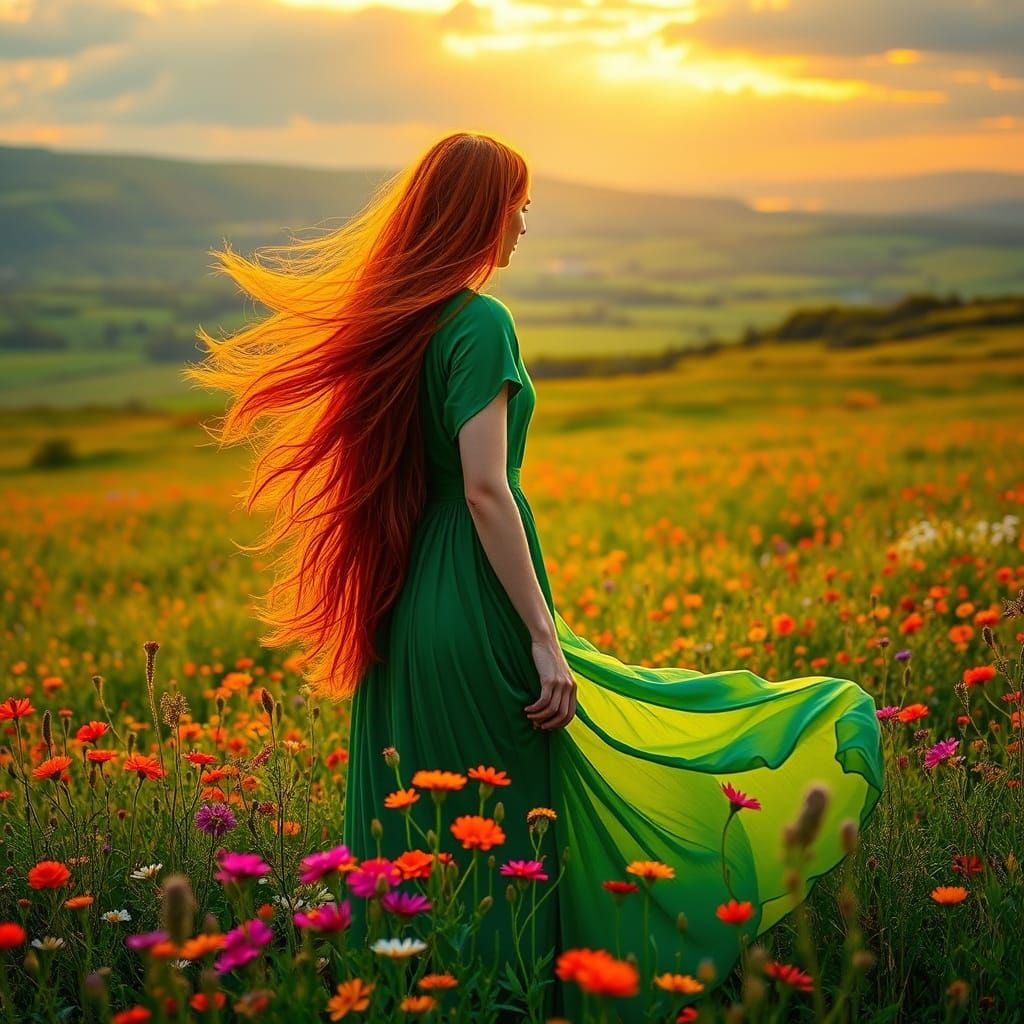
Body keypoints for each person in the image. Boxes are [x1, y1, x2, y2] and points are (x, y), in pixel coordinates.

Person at [186, 131, 885, 1024]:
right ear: (478, 213)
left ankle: (418, 1000)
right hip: (475, 602)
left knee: (420, 838)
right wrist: (544, 635)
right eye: (516, 203)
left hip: (402, 609)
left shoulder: (396, 323)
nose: (523, 223)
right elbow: (484, 488)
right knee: (509, 834)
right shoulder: (479, 321)